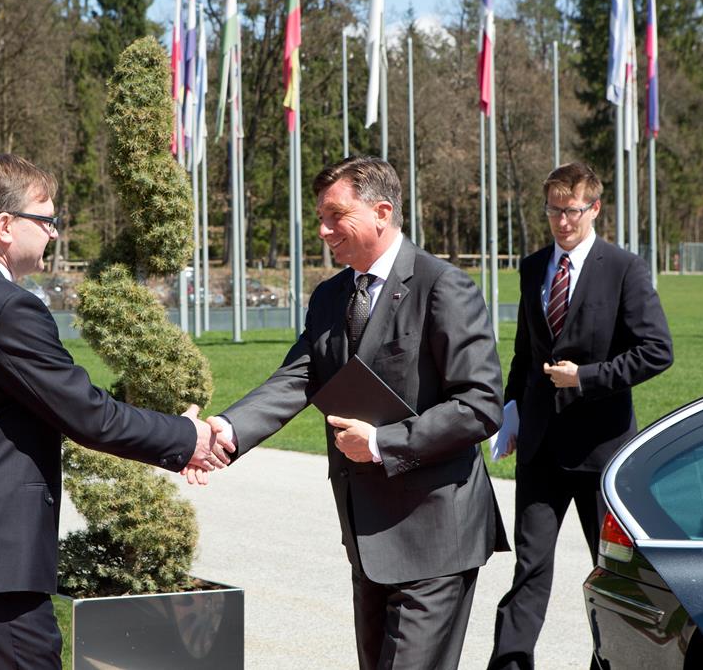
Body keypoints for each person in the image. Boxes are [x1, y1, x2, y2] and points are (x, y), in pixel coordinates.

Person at [0, 154, 231, 669]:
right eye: (45, 221)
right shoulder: (6, 306)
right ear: (4, 226)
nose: (54, 234)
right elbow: (87, 413)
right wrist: (187, 437)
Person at [209, 155, 509, 670]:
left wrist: (381, 443)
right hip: (366, 537)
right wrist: (228, 429)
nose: (323, 230)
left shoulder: (443, 287)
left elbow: (480, 404)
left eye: (336, 216)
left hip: (435, 537)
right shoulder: (331, 295)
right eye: (320, 218)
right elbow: (299, 376)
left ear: (382, 212)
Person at [487, 162, 673, 670]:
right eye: (553, 211)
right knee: (529, 570)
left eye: (571, 211)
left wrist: (586, 378)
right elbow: (526, 353)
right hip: (541, 450)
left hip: (601, 451)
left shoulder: (624, 268)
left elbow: (657, 351)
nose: (562, 221)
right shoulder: (533, 267)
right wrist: (511, 409)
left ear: (594, 208)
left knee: (612, 575)